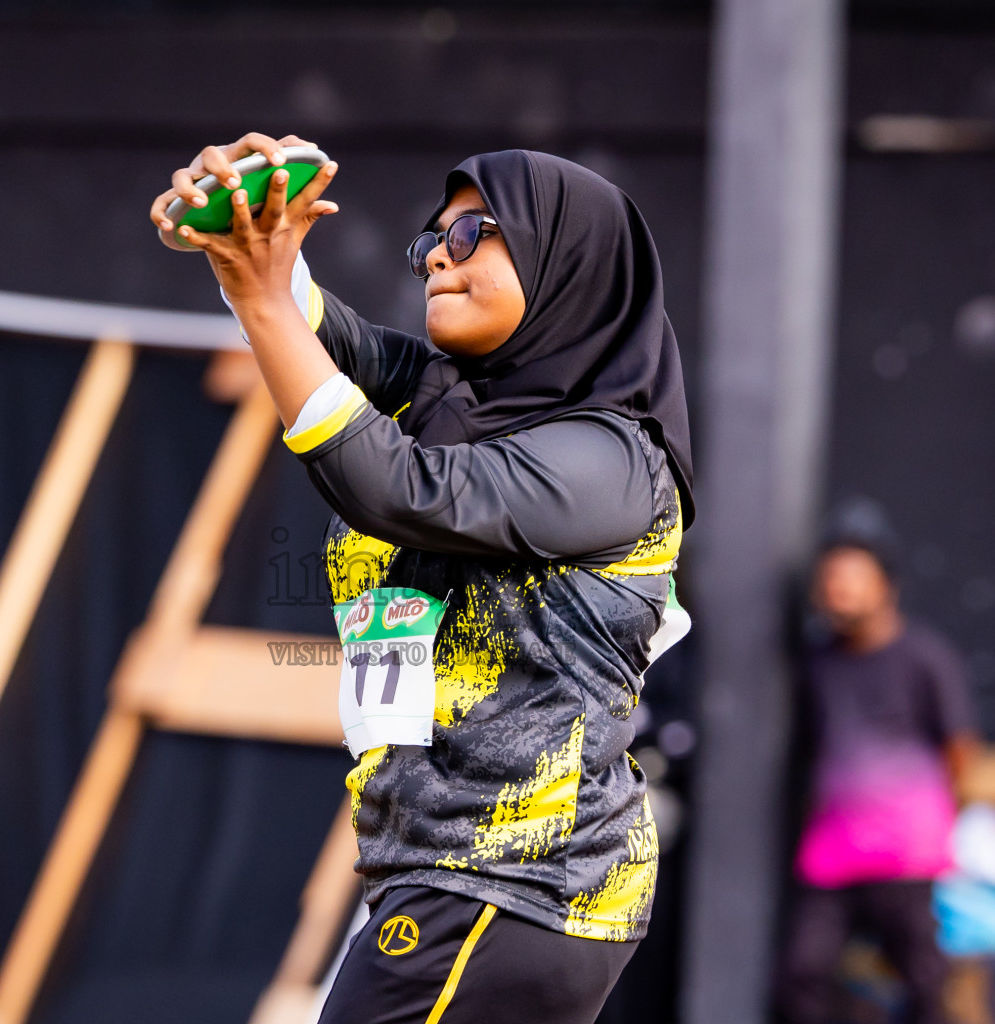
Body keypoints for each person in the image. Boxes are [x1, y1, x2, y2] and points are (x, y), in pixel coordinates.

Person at [150, 134, 694, 1024]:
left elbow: (399, 490)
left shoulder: (612, 462)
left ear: (569, 262)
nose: (438, 253)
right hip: (456, 878)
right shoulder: (457, 400)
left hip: (513, 882)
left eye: (476, 230)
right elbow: (332, 336)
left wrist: (264, 303)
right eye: (430, 239)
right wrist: (245, 240)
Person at [777, 539, 981, 1024]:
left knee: (924, 980)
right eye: (830, 581)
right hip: (832, 850)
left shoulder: (925, 656)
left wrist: (931, 817)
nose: (839, 590)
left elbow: (961, 748)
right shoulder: (816, 663)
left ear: (886, 587)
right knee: (800, 975)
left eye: (852, 578)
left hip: (905, 852)